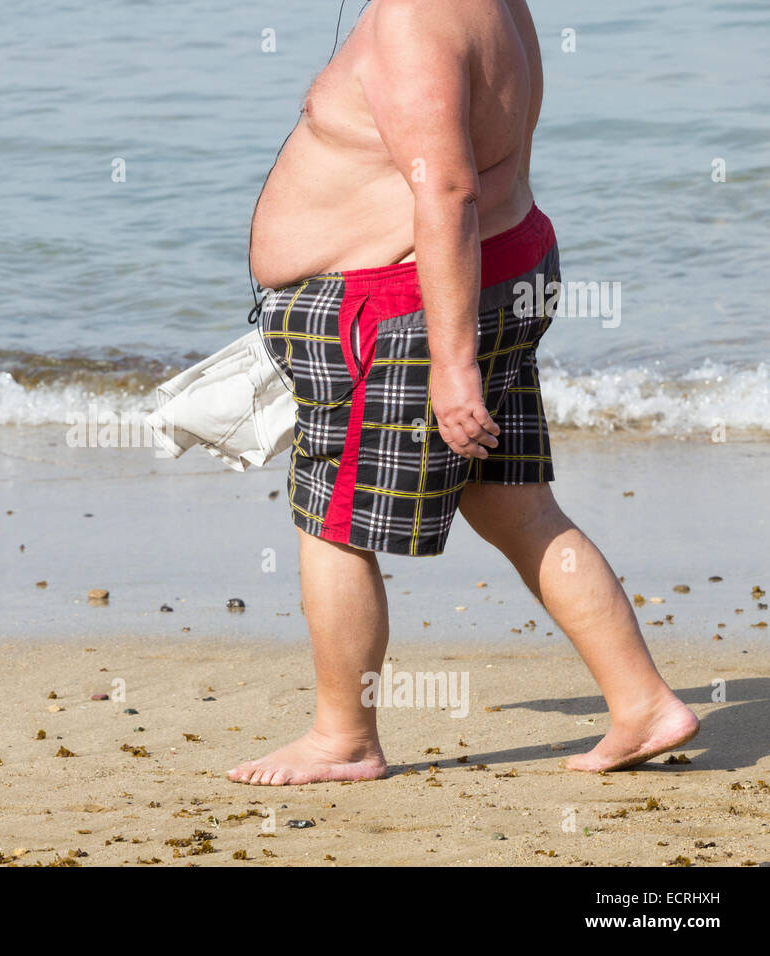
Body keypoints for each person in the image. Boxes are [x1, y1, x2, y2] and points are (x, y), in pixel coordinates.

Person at [228, 0, 699, 785]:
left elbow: (446, 191)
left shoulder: (415, 19)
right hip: (498, 271)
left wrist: (453, 367)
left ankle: (342, 737)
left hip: (410, 304)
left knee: (333, 519)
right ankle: (642, 702)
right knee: (517, 503)